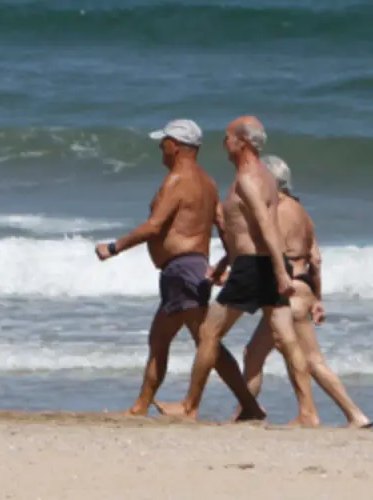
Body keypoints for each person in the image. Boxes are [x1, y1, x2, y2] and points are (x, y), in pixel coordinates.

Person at [155, 116, 320, 426]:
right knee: (286, 338)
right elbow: (247, 229)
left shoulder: (247, 179)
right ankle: (308, 412)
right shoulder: (266, 178)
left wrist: (279, 273)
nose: (223, 143)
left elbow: (266, 226)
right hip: (264, 263)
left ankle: (190, 406)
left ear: (241, 143)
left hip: (254, 267)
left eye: (228, 138)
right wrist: (225, 263)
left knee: (208, 332)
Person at [96, 118, 264, 420]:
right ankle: (140, 406)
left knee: (205, 340)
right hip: (189, 269)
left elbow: (154, 225)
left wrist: (113, 247)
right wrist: (227, 262)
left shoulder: (177, 180)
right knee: (163, 338)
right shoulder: (208, 182)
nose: (160, 148)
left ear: (176, 146)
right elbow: (223, 228)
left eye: (163, 143)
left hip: (182, 270)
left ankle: (242, 406)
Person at [239, 155, 373, 428]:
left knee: (272, 355)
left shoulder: (272, 211)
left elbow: (266, 252)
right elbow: (316, 258)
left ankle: (253, 413)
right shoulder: (301, 211)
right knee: (293, 357)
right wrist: (317, 299)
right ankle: (353, 414)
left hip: (285, 292)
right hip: (305, 288)